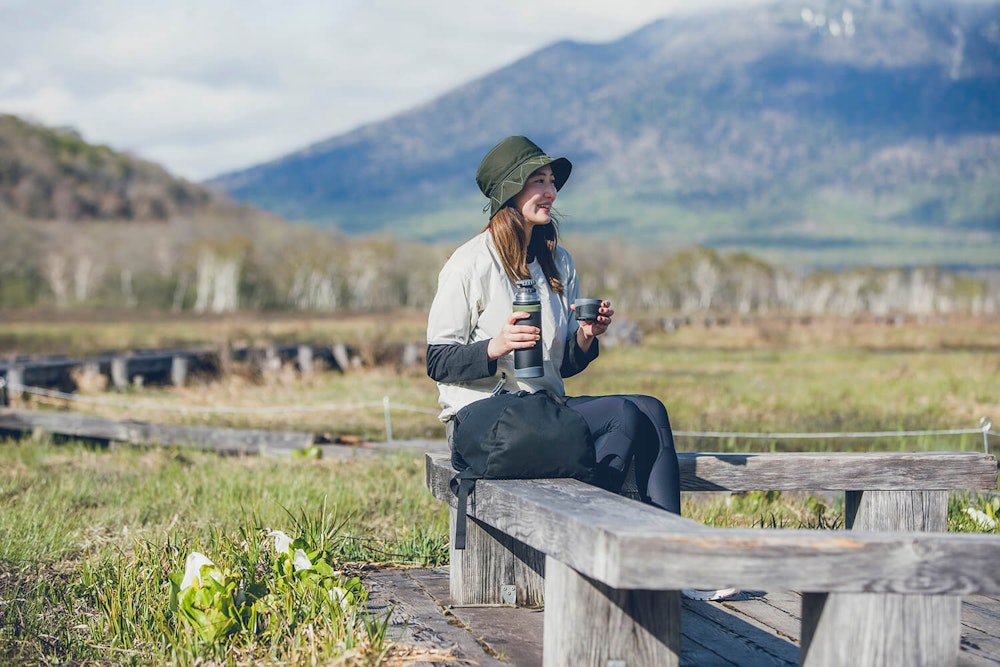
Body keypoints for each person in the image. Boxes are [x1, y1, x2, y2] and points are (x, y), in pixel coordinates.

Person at [425, 135, 736, 600]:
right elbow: (437, 360)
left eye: (552, 181)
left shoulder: (556, 262)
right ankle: (601, 557)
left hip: (541, 410)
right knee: (623, 416)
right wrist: (496, 345)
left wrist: (586, 337)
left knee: (650, 409)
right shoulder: (469, 263)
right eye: (537, 181)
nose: (550, 191)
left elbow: (562, 364)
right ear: (509, 192)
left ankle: (671, 561)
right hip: (483, 421)